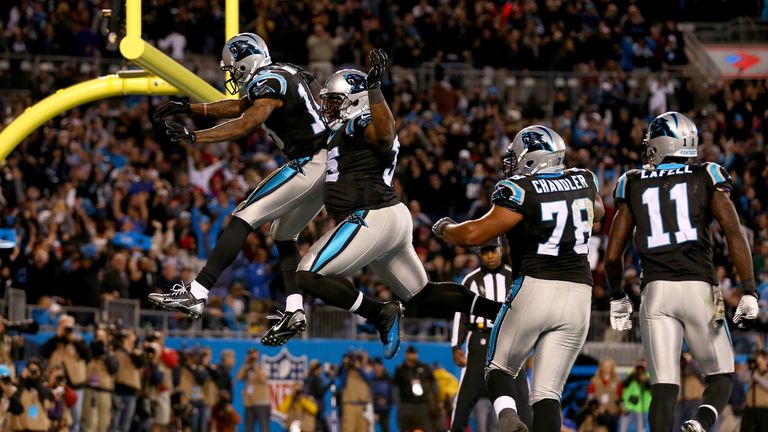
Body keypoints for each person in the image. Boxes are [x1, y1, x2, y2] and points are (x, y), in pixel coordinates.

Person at [294, 50, 502, 359]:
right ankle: (501, 311)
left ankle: (379, 313)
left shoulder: (361, 122)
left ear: (357, 100)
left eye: (336, 100)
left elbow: (385, 132)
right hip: (385, 217)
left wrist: (375, 90)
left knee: (307, 274)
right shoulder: (344, 130)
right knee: (422, 292)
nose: (329, 107)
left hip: (371, 215)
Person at [149, 32, 329, 347]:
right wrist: (188, 108)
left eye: (233, 67)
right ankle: (295, 309)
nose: (232, 74)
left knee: (245, 214)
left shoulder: (269, 81)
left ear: (245, 61)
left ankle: (198, 292)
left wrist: (195, 138)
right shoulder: (283, 73)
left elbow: (246, 122)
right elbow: (237, 106)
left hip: (311, 161)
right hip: (327, 164)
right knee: (283, 234)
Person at [434, 125, 604, 431]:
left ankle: (508, 417)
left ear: (532, 158)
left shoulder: (520, 190)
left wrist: (445, 227)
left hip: (536, 286)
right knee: (547, 393)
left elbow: (473, 234)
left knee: (498, 367)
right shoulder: (585, 179)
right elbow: (599, 211)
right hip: (580, 296)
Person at [604, 111, 759, 432]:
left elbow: (613, 255)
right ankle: (701, 422)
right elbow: (734, 231)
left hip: (655, 293)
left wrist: (618, 296)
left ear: (661, 143)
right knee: (721, 373)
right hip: (701, 290)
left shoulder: (631, 181)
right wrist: (749, 289)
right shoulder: (706, 175)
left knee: (663, 386)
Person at [450, 237, 532, 432]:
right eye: (485, 252)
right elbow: (460, 314)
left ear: (501, 250)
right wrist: (456, 345)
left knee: (522, 395)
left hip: (510, 339)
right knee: (465, 397)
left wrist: (529, 345)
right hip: (479, 339)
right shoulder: (470, 280)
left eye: (492, 251)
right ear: (480, 254)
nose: (490, 256)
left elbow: (527, 312)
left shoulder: (515, 277)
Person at [40, 315, 90, 432]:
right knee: (55, 417)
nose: (65, 328)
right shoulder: (54, 341)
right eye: (62, 325)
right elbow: (43, 352)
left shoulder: (78, 341)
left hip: (74, 387)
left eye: (67, 325)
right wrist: (57, 337)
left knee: (75, 419)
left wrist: (74, 340)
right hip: (55, 387)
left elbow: (88, 356)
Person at [81, 326, 118, 432]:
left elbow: (113, 368)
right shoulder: (89, 351)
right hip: (90, 391)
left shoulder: (111, 353)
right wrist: (93, 350)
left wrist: (104, 353)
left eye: (103, 336)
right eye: (98, 336)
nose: (100, 338)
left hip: (105, 392)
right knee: (89, 425)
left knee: (103, 425)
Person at [393, 346, 436, 432]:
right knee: (405, 429)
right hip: (406, 405)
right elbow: (395, 387)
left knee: (423, 429)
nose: (413, 356)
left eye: (414, 354)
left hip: (422, 405)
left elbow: (433, 383)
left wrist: (434, 398)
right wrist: (398, 404)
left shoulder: (424, 367)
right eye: (410, 354)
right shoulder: (400, 369)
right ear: (406, 355)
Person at [237, 349, 270, 432]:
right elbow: (239, 377)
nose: (253, 358)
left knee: (264, 427)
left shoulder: (263, 366)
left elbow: (263, 379)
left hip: (262, 402)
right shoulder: (247, 368)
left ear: (258, 356)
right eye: (251, 356)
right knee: (249, 428)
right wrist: (245, 365)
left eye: (254, 356)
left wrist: (256, 367)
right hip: (249, 403)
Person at [337, 352, 372, 432]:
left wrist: (359, 368)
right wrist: (346, 366)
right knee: (348, 429)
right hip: (350, 405)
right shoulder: (347, 372)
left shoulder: (368, 369)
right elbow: (342, 383)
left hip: (363, 406)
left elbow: (369, 379)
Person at [584, 358, 622, 431]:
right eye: (605, 366)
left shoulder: (617, 380)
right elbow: (590, 397)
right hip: (598, 413)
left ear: (612, 367)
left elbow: (620, 396)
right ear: (601, 367)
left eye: (608, 366)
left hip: (613, 413)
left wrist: (620, 408)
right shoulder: (594, 380)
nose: (606, 368)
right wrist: (596, 408)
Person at [619, 361, 652, 432]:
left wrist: (645, 380)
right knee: (622, 429)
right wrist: (633, 375)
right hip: (627, 408)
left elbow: (650, 388)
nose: (640, 371)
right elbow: (623, 385)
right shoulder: (630, 375)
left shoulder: (648, 376)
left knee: (641, 430)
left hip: (641, 409)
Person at [742, 350, 768, 431]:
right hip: (749, 407)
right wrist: (746, 368)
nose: (757, 360)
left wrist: (756, 376)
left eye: (759, 357)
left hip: (763, 409)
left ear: (764, 359)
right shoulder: (752, 369)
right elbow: (742, 379)